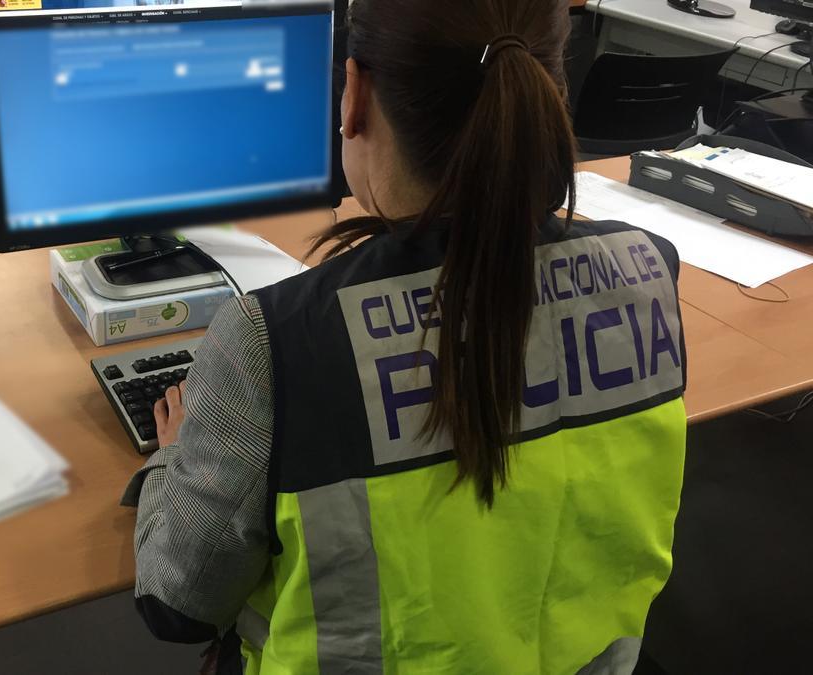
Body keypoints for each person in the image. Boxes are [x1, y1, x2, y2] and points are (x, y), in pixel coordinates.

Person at [121, 0, 688, 672]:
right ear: (551, 91)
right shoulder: (651, 266)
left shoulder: (272, 341)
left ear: (354, 94)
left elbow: (177, 603)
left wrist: (175, 454)